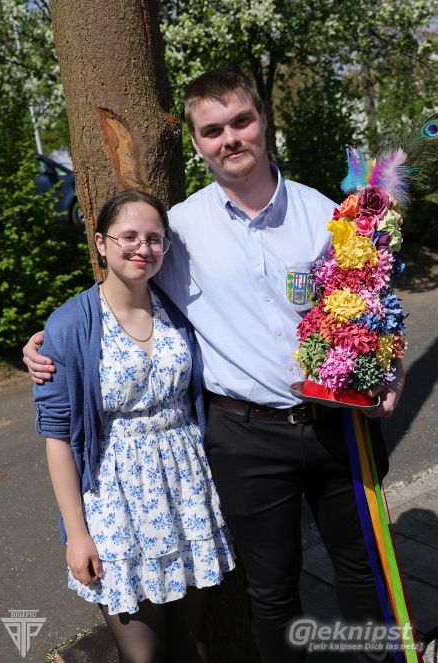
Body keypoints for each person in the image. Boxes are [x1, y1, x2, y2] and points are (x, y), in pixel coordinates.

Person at [25, 69, 404, 662]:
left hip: (340, 424)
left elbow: (376, 305)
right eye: (212, 130)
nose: (230, 138)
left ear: (263, 120)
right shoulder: (179, 231)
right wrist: (52, 341)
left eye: (240, 121)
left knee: (363, 573)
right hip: (245, 437)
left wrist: (391, 369)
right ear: (198, 142)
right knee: (271, 591)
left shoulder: (326, 214)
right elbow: (121, 293)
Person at [32, 189, 235, 663]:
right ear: (101, 243)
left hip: (186, 491)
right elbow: (57, 436)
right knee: (143, 655)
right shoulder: (71, 324)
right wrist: (77, 534)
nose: (142, 248)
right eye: (129, 236)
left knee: (194, 642)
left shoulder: (179, 310)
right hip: (116, 501)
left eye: (154, 238)